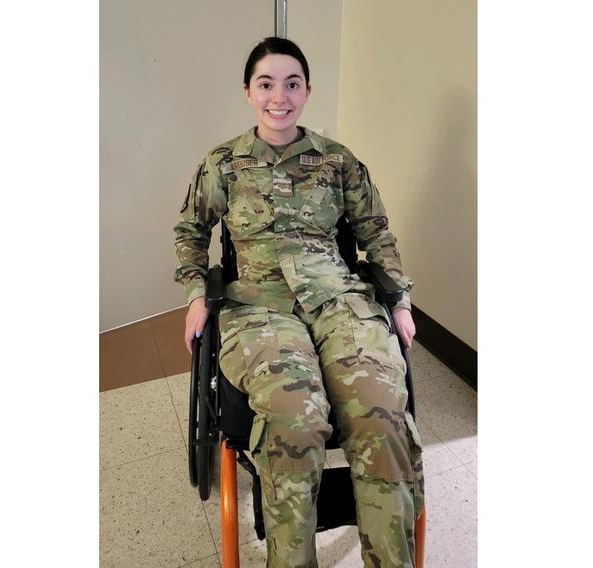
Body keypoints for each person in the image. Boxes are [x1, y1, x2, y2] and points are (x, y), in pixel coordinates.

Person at [173, 36, 424, 568]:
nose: (278, 96)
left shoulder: (337, 161)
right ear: (248, 92)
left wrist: (399, 301)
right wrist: (197, 294)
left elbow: (376, 234)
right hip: (257, 307)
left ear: (307, 91)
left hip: (338, 300)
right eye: (266, 84)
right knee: (296, 419)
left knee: (382, 418)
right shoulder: (223, 164)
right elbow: (190, 232)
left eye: (292, 84)